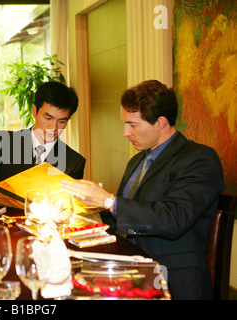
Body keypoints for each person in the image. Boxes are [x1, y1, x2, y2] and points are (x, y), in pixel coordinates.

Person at [60, 80, 224, 300]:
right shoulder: (137, 161)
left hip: (170, 277)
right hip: (128, 268)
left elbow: (174, 218)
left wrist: (108, 201)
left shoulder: (199, 158)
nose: (125, 133)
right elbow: (124, 219)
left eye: (133, 124)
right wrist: (85, 214)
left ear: (161, 122)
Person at [0, 81, 85, 183]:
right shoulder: (5, 143)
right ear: (34, 112)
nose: (54, 127)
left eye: (62, 121)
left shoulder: (74, 163)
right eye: (48, 118)